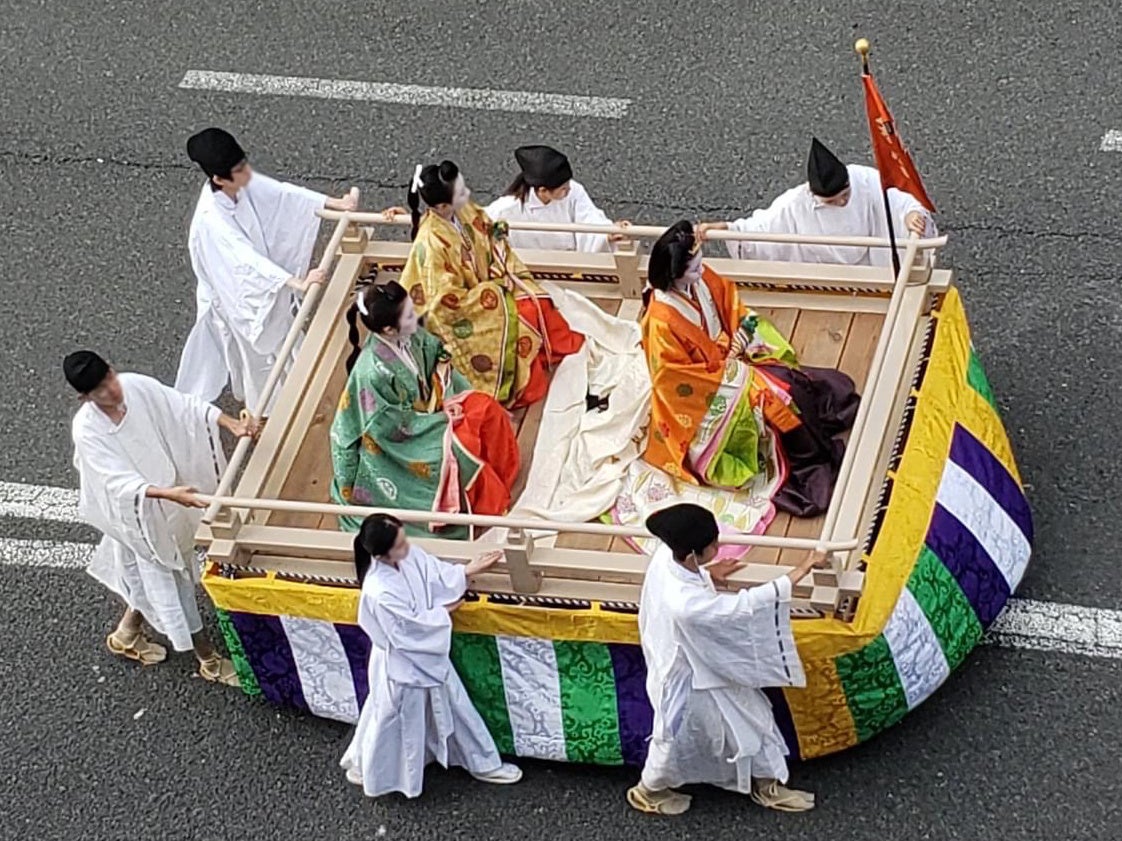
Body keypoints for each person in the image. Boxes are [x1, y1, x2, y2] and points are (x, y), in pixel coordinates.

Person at [66, 350, 260, 684]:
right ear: (85, 397)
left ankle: (127, 634)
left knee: (151, 578)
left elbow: (181, 405)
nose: (112, 390)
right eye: (100, 389)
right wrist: (169, 494)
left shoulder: (135, 386)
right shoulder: (87, 431)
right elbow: (117, 482)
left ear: (113, 369)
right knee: (172, 579)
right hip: (136, 517)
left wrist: (231, 424)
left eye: (110, 379)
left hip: (168, 497)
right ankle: (208, 660)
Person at [641, 221, 859, 517]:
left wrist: (740, 335)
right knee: (778, 397)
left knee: (790, 383)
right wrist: (731, 370)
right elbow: (674, 379)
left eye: (701, 264)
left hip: (732, 358)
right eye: (694, 269)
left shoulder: (698, 282)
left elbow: (729, 304)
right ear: (674, 274)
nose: (702, 272)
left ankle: (815, 438)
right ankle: (810, 459)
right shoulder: (661, 322)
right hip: (704, 395)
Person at [627, 503, 826, 816]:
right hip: (693, 679)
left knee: (725, 727)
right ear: (692, 555)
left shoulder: (667, 554)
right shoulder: (686, 603)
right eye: (713, 546)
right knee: (725, 728)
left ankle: (763, 784)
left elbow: (696, 584)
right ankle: (649, 790)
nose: (718, 548)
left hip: (688, 665)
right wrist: (802, 569)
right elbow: (743, 608)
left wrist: (707, 574)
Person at [175, 126, 359, 414]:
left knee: (284, 332)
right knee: (257, 354)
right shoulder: (212, 220)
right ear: (218, 179)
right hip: (238, 291)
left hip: (262, 279)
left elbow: (281, 195)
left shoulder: (237, 180)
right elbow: (244, 260)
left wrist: (331, 203)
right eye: (238, 171)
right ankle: (267, 410)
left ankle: (302, 388)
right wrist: (295, 281)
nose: (246, 175)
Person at [340, 513, 523, 797]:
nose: (407, 545)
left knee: (418, 712)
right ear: (382, 554)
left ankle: (481, 762)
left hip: (422, 655)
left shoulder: (404, 557)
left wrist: (465, 572)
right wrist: (444, 612)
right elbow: (406, 630)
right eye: (400, 543)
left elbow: (432, 572)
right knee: (394, 717)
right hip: (402, 663)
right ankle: (371, 768)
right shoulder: (379, 590)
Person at [330, 281, 520, 536]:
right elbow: (390, 426)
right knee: (459, 447)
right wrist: (441, 419)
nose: (414, 317)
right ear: (388, 329)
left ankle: (504, 475)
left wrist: (443, 382)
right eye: (409, 314)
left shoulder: (410, 333)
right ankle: (484, 507)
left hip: (433, 409)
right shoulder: (373, 373)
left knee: (484, 408)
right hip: (397, 442)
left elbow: (437, 352)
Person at [396, 160, 584, 408]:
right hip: (462, 312)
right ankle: (526, 383)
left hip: (490, 280)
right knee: (523, 315)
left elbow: (487, 232)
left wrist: (497, 256)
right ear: (442, 206)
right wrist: (491, 293)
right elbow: (443, 301)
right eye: (461, 193)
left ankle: (558, 352)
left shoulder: (462, 210)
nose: (468, 195)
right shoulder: (431, 244)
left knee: (537, 301)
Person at [697, 137, 935, 267]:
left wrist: (910, 214)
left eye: (846, 195)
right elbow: (760, 228)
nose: (843, 203)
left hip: (875, 266)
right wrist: (727, 230)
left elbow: (896, 198)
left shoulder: (862, 179)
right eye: (833, 201)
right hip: (831, 278)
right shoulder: (795, 204)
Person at [484, 145, 627, 252]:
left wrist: (606, 233)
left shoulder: (574, 192)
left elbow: (589, 218)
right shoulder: (507, 208)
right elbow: (480, 222)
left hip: (571, 264)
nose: (569, 190)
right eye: (563, 189)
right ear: (543, 191)